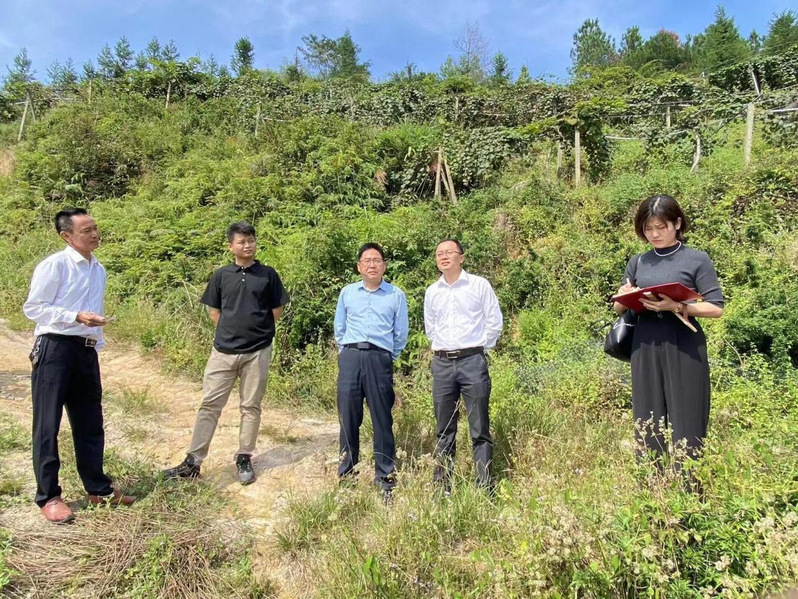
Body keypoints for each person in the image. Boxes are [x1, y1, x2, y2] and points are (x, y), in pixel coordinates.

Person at [23, 208, 136, 524]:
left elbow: (93, 310)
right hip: (55, 348)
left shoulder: (98, 269)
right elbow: (34, 308)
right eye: (86, 230)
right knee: (48, 423)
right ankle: (49, 496)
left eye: (95, 228)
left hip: (85, 351)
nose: (95, 234)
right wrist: (75, 316)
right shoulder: (55, 265)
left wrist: (95, 344)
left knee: (90, 421)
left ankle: (98, 488)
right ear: (67, 236)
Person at [163, 222, 289, 485]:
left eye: (251, 240)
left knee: (251, 406)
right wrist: (231, 331)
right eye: (242, 241)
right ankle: (193, 461)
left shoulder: (268, 274)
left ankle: (244, 456)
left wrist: (258, 331)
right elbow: (214, 311)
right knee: (210, 405)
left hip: (257, 352)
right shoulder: (222, 275)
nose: (248, 245)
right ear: (231, 246)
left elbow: (276, 309)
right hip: (223, 352)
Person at [613, 195, 724, 480]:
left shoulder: (697, 259)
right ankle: (652, 489)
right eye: (648, 229)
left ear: (677, 223)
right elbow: (619, 308)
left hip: (684, 345)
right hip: (644, 346)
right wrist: (624, 296)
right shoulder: (638, 262)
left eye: (660, 227)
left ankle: (691, 490)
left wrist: (675, 305)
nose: (654, 234)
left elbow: (716, 308)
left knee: (688, 418)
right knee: (647, 417)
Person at [424, 239, 503, 492]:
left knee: (479, 427)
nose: (443, 256)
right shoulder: (432, 291)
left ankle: (484, 487)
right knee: (444, 428)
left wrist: (477, 350)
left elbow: (494, 322)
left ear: (462, 257)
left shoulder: (479, 285)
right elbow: (431, 328)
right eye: (439, 253)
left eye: (449, 252)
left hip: (472, 362)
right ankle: (443, 488)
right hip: (442, 364)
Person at [334, 243, 408, 499]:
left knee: (382, 419)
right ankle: (347, 477)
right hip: (351, 357)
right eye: (367, 260)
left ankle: (385, 480)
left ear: (384, 266)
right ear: (359, 266)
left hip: (379, 358)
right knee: (348, 418)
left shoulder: (396, 295)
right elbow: (339, 328)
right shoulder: (347, 293)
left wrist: (387, 356)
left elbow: (401, 333)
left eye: (377, 260)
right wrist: (347, 353)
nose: (372, 265)